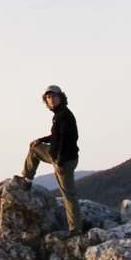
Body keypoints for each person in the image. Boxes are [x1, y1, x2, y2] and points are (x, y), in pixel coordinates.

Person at [10, 85, 82, 235]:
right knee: (34, 148)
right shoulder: (59, 115)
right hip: (58, 155)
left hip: (64, 159)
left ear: (61, 97)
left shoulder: (64, 115)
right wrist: (40, 140)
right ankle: (27, 179)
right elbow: (56, 137)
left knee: (68, 195)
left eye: (54, 96)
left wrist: (60, 161)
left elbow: (67, 139)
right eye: (48, 98)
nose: (51, 99)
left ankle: (75, 230)